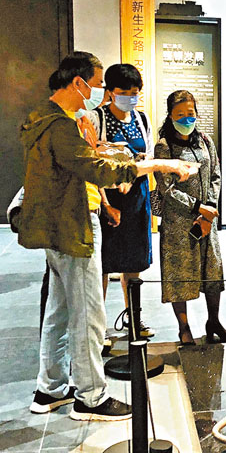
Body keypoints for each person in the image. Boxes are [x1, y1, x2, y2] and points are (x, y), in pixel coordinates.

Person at [19, 53, 195, 421]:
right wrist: (161, 164)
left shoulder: (44, 119)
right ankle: (91, 397)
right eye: (98, 83)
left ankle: (49, 388)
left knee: (59, 310)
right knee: (88, 314)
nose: (99, 90)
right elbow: (98, 169)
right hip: (74, 225)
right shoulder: (61, 126)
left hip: (59, 226)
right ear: (77, 82)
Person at [153, 90, 226, 345]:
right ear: (170, 115)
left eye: (190, 114)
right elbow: (166, 189)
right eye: (180, 115)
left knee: (213, 272)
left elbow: (216, 174)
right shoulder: (164, 146)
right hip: (179, 223)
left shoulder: (205, 141)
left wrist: (209, 206)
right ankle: (184, 327)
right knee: (179, 275)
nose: (187, 119)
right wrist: (198, 207)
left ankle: (214, 321)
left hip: (206, 221)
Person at [90, 64, 154, 307]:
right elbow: (92, 163)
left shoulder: (141, 118)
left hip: (137, 197)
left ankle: (133, 317)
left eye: (135, 92)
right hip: (108, 198)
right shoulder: (98, 118)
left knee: (135, 261)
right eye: (124, 92)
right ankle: (100, 324)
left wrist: (133, 171)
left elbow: (146, 155)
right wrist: (105, 202)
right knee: (103, 263)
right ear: (110, 91)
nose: (130, 97)